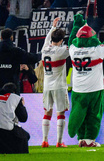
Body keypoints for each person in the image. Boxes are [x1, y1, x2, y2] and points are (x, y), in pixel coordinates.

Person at [68, 12, 104, 147]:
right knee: (94, 115)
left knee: (80, 114)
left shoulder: (73, 49)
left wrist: (78, 23)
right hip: (94, 88)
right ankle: (89, 140)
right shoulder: (97, 51)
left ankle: (81, 138)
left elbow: (70, 39)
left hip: (78, 89)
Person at [39, 17, 70, 148]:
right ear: (62, 40)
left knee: (47, 112)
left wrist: (53, 27)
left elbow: (47, 39)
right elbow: (73, 47)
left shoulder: (44, 49)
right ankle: (59, 141)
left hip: (47, 85)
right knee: (60, 113)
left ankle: (45, 140)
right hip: (59, 86)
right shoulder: (62, 51)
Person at [0, 28, 38, 94]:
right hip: (13, 89)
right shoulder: (17, 52)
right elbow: (33, 58)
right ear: (12, 38)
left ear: (1, 37)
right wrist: (42, 53)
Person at [0, 83, 29, 154]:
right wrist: (22, 106)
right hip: (6, 130)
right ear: (14, 92)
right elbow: (23, 118)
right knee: (25, 136)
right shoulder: (15, 98)